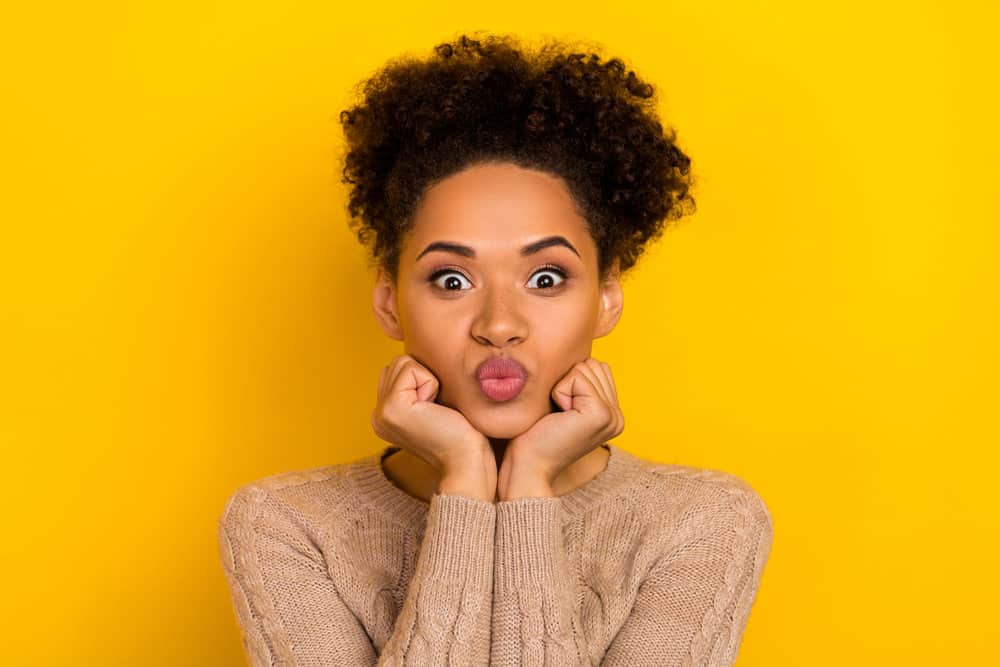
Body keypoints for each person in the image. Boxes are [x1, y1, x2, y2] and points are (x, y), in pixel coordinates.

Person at [217, 32, 773, 666]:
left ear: (608, 297)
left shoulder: (701, 524)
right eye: (451, 279)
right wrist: (466, 482)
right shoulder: (287, 527)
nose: (499, 324)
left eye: (546, 278)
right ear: (389, 301)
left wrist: (528, 486)